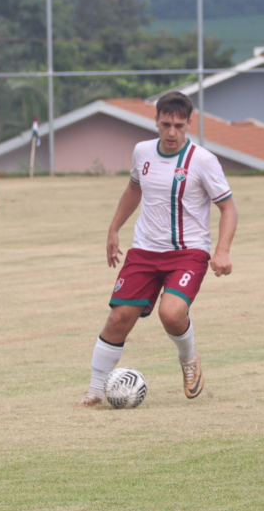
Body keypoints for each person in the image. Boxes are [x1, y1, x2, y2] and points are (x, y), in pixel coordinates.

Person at [77, 91, 238, 407]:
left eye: (179, 125)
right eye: (166, 125)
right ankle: (95, 391)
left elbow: (229, 208)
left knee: (171, 312)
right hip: (145, 251)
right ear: (156, 122)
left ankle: (189, 359)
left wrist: (222, 250)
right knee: (119, 318)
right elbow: (133, 189)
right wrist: (114, 229)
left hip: (188, 252)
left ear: (189, 123)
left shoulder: (203, 161)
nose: (172, 132)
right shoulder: (142, 152)